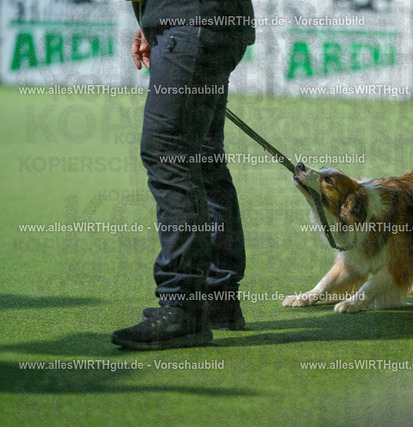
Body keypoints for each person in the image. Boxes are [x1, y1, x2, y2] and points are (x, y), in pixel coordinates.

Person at [111, 0, 255, 350]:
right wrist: (152, 21)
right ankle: (216, 298)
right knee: (202, 159)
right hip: (201, 20)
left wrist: (160, 19)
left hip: (191, 21)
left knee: (168, 153)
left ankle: (183, 306)